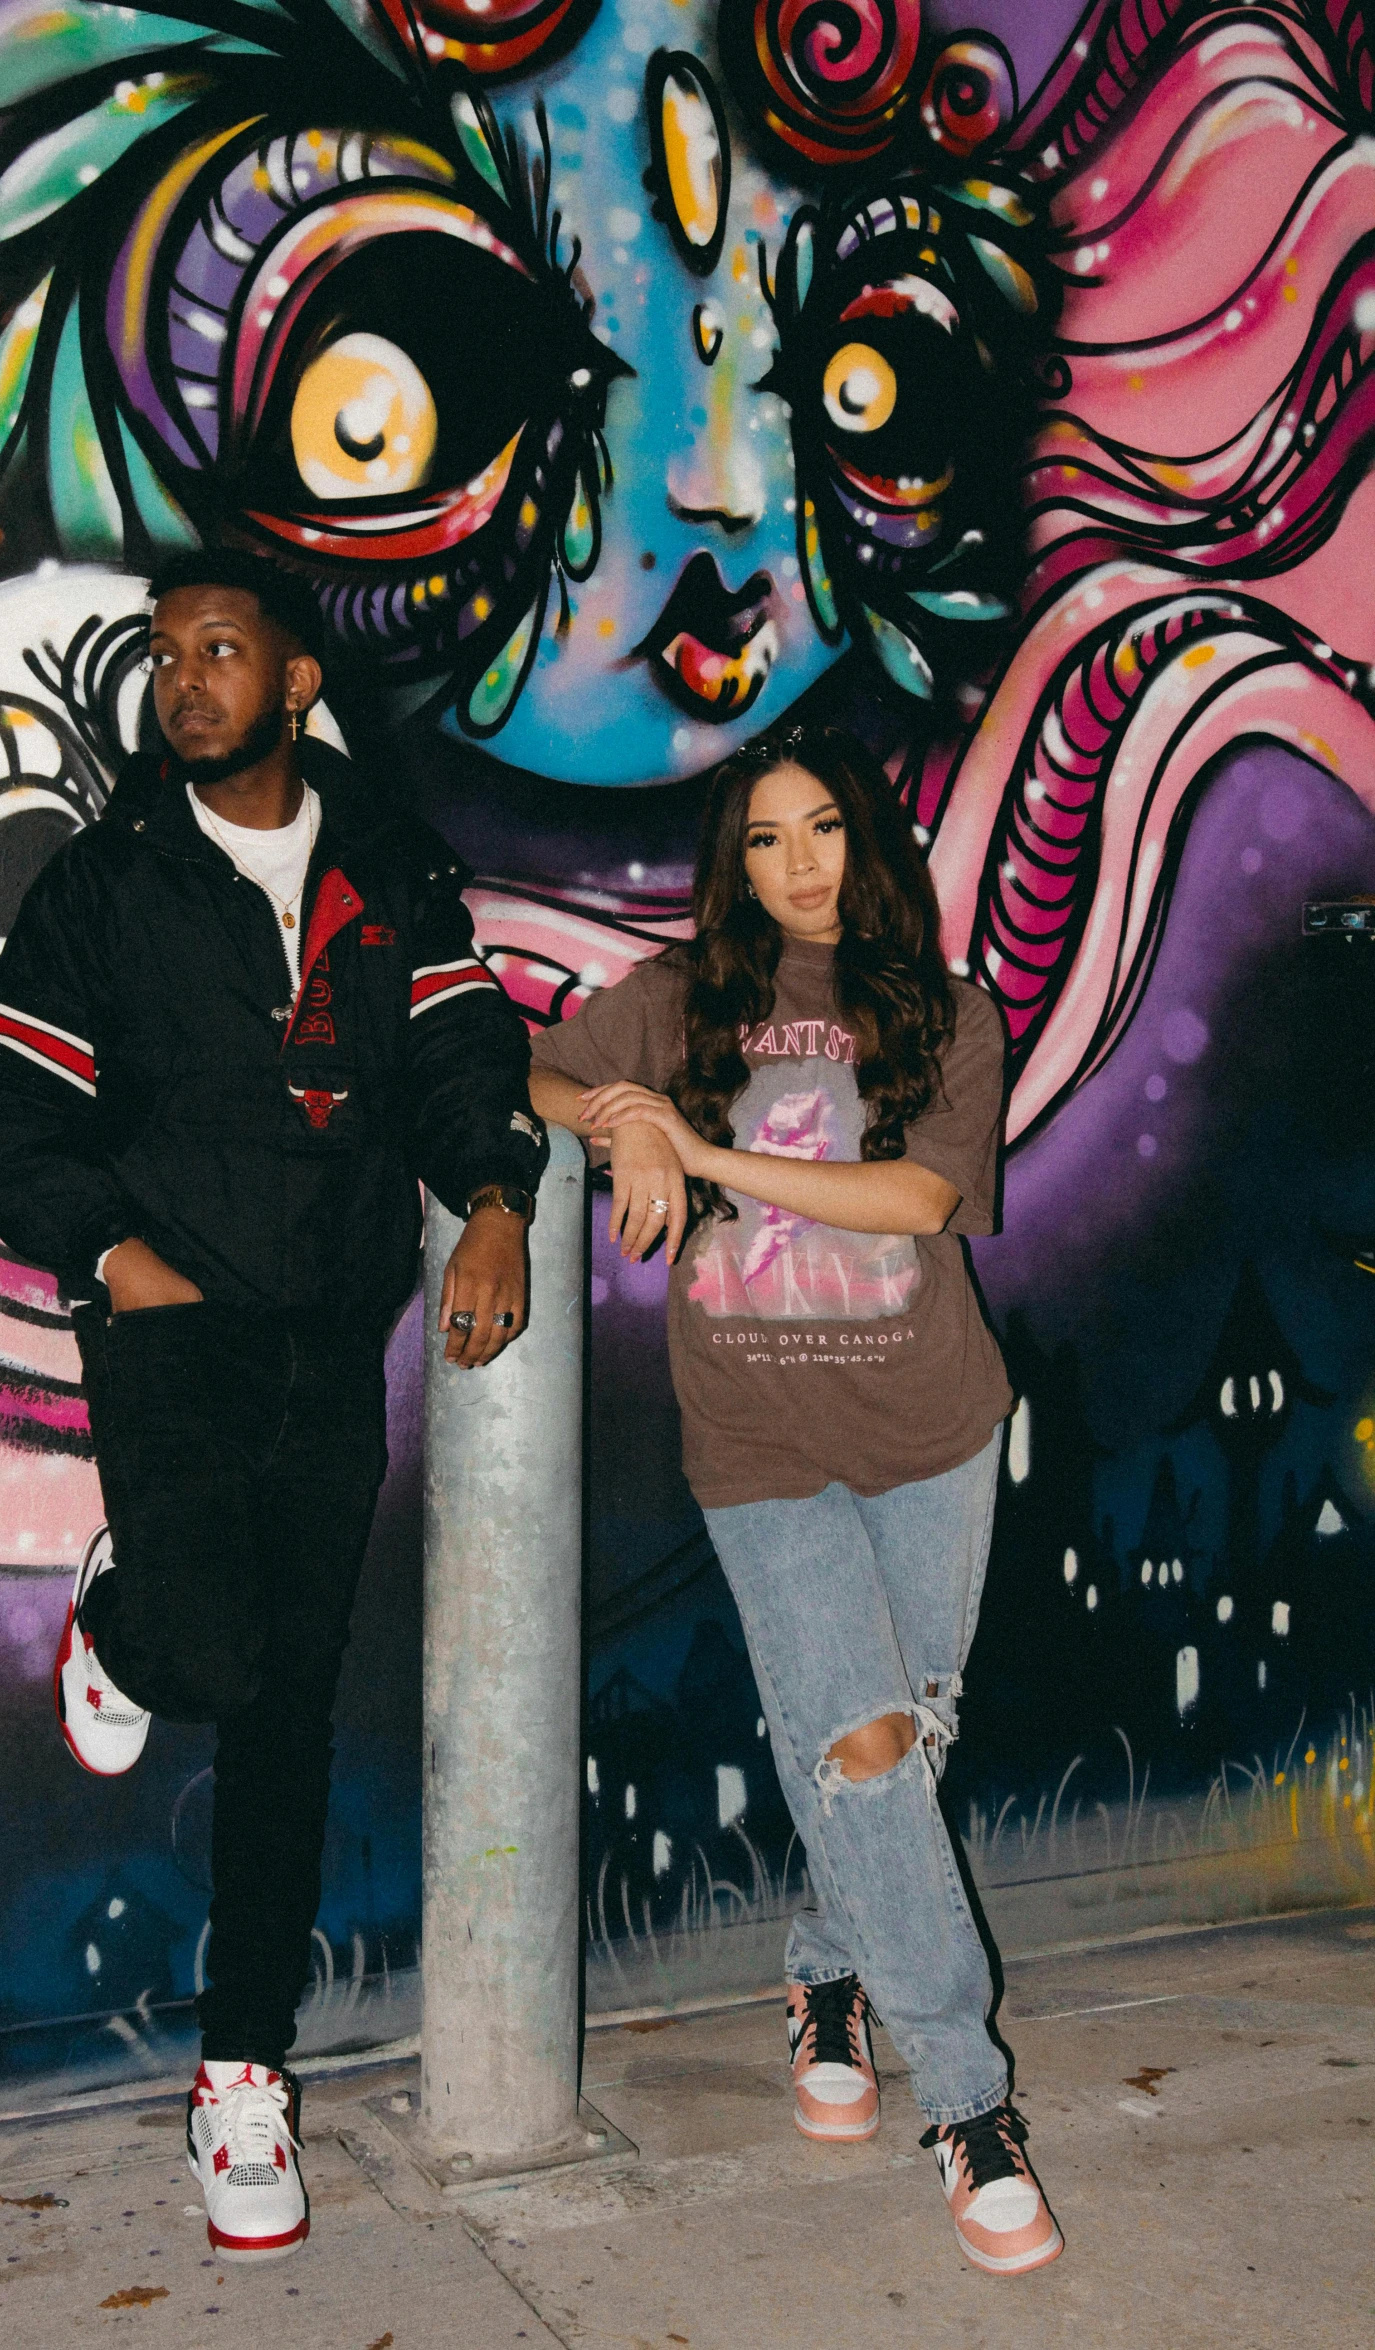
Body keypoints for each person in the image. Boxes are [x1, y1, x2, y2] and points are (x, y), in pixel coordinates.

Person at [0, 548, 547, 2262]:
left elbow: (457, 1054)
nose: (186, 680)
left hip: (329, 1326)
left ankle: (241, 2069)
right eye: (165, 654)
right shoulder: (106, 881)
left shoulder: (385, 862)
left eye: (220, 650)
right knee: (210, 1651)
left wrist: (494, 1196)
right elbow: (8, 1105)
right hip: (170, 1325)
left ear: (293, 680)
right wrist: (113, 1253)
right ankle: (123, 1625)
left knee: (287, 1707)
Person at [528, 722, 1062, 2278]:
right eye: (763, 841)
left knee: (907, 1736)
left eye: (821, 828)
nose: (798, 865)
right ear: (732, 867)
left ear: (867, 839)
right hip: (758, 1443)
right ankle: (968, 2099)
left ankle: (823, 1967)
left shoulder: (948, 1012)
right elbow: (526, 1060)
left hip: (930, 1426)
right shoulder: (681, 1001)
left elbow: (916, 1199)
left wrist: (698, 1145)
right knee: (863, 1741)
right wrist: (624, 1116)